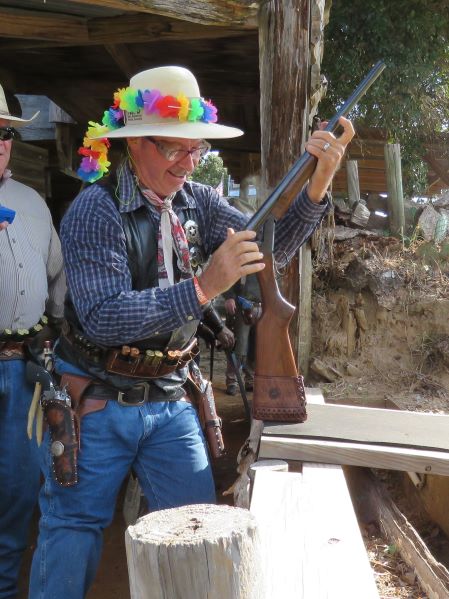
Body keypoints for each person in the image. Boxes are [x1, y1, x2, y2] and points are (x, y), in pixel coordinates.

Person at [29, 65, 354, 599]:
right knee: (74, 529)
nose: (188, 163)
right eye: (174, 149)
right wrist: (204, 287)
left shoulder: (196, 200)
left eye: (196, 149)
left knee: (198, 530)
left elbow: (266, 253)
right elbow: (104, 317)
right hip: (97, 400)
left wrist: (317, 185)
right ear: (135, 144)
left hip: (171, 396)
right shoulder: (94, 209)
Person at [0, 84, 65, 599]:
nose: (0, 143)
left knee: (20, 487)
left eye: (4, 133)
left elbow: (58, 281)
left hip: (24, 369)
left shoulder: (33, 203)